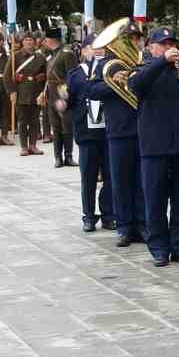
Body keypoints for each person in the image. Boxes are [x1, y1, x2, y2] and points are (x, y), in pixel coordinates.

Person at [130, 28, 179, 268]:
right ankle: (158, 247)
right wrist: (160, 62)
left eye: (171, 43)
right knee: (155, 199)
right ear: (151, 47)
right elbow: (137, 84)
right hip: (154, 146)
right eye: (162, 44)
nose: (169, 47)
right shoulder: (144, 69)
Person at [89, 26, 148, 248]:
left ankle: (142, 224)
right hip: (119, 130)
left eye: (136, 38)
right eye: (129, 38)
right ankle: (124, 227)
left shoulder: (145, 62)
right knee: (120, 180)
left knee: (142, 180)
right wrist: (112, 83)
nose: (134, 42)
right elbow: (92, 91)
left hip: (143, 127)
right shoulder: (107, 65)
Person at [68, 37, 114, 233]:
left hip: (108, 130)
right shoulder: (75, 73)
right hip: (86, 132)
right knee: (88, 176)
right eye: (93, 47)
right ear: (84, 51)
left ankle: (108, 214)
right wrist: (62, 102)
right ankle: (88, 215)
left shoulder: (110, 70)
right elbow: (67, 97)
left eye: (102, 47)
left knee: (110, 176)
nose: (97, 50)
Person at [44, 28, 78, 167]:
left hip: (62, 92)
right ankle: (57, 157)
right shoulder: (50, 55)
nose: (45, 42)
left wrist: (65, 97)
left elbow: (72, 77)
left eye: (46, 39)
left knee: (66, 126)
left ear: (51, 40)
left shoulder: (67, 54)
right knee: (56, 126)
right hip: (52, 94)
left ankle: (68, 156)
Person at [12, 34, 48, 156]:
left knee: (34, 120)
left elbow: (46, 74)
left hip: (36, 91)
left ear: (34, 42)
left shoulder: (40, 57)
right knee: (22, 121)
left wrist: (44, 90)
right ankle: (23, 146)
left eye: (31, 40)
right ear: (22, 42)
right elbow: (8, 76)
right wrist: (12, 91)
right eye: (26, 40)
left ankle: (33, 145)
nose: (28, 42)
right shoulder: (15, 57)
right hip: (21, 91)